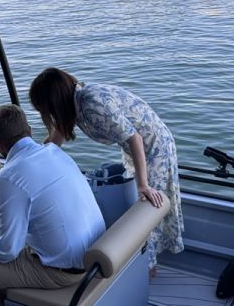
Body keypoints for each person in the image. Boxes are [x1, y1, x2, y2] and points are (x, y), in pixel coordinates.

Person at [0, 104, 106, 306]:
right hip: (92, 254)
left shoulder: (6, 178)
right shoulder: (54, 152)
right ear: (30, 131)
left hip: (63, 272)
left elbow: (7, 250)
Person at [28, 67, 182, 270]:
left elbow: (135, 138)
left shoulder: (92, 104)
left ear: (55, 102)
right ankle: (146, 265)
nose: (49, 115)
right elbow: (56, 138)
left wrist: (143, 185)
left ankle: (148, 268)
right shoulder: (75, 102)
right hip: (135, 148)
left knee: (146, 205)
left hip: (154, 148)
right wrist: (33, 160)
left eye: (47, 110)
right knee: (141, 204)